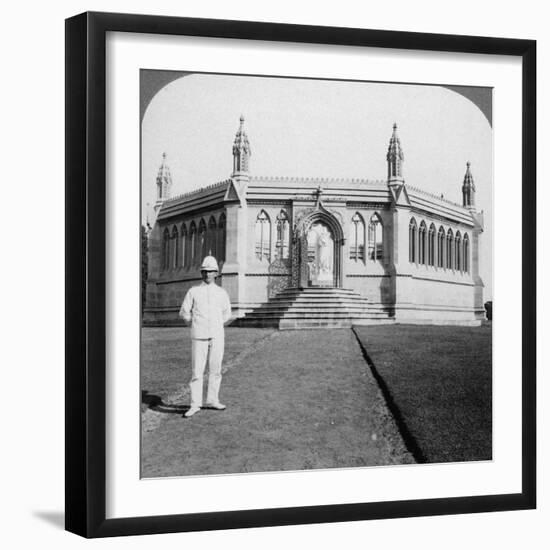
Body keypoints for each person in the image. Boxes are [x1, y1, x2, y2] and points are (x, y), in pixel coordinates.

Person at [179, 256, 232, 418]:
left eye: (210, 271)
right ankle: (195, 404)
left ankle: (212, 400)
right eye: (205, 271)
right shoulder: (193, 291)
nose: (207, 274)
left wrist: (216, 325)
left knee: (215, 370)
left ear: (216, 273)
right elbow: (184, 312)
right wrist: (194, 324)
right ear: (201, 273)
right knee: (197, 372)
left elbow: (227, 313)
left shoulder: (221, 293)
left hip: (217, 336)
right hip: (199, 335)